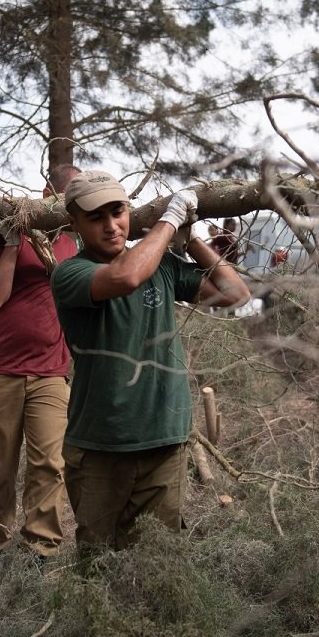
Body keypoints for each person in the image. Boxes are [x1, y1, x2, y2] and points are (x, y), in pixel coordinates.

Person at [50, 171, 250, 552]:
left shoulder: (162, 265)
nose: (112, 226)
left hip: (163, 440)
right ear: (74, 223)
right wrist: (170, 218)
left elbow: (236, 294)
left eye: (118, 212)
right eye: (97, 217)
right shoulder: (70, 274)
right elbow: (126, 277)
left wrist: (191, 240)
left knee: (157, 561)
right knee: (97, 558)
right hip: (100, 445)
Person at [0, 164, 80, 571]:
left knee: (50, 464)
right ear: (46, 190)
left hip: (51, 371)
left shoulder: (73, 242)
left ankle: (39, 550)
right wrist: (15, 242)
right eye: (65, 194)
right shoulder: (1, 235)